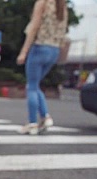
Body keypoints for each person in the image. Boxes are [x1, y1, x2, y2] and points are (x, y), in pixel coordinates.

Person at [17, 0, 68, 135]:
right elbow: (63, 32)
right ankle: (45, 117)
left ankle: (32, 123)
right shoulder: (62, 5)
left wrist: (24, 51)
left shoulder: (42, 3)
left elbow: (34, 27)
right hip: (54, 50)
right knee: (35, 85)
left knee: (31, 86)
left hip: (39, 47)